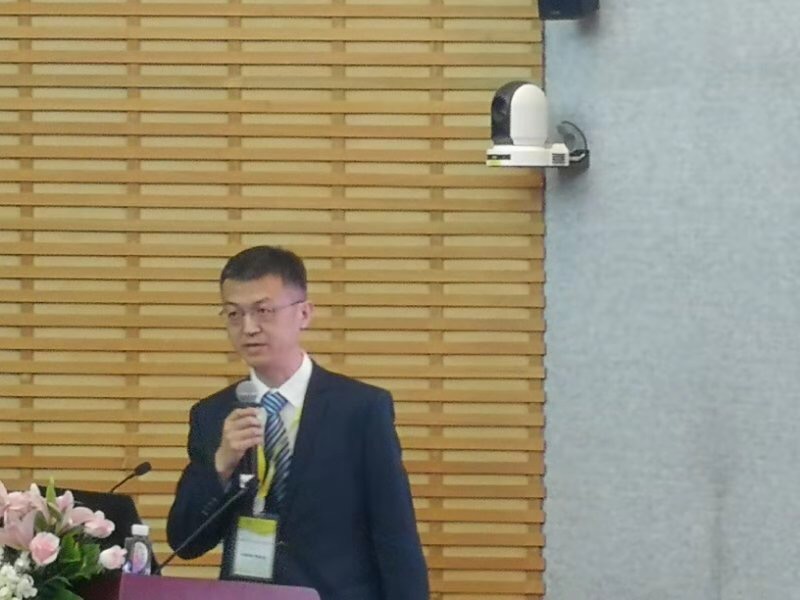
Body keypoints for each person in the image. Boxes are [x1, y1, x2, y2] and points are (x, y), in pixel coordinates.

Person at [166, 245, 429, 600]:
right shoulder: (213, 414)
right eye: (234, 314)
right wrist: (221, 466)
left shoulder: (360, 410)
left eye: (263, 311)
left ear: (304, 313)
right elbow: (185, 543)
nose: (248, 328)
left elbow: (396, 536)